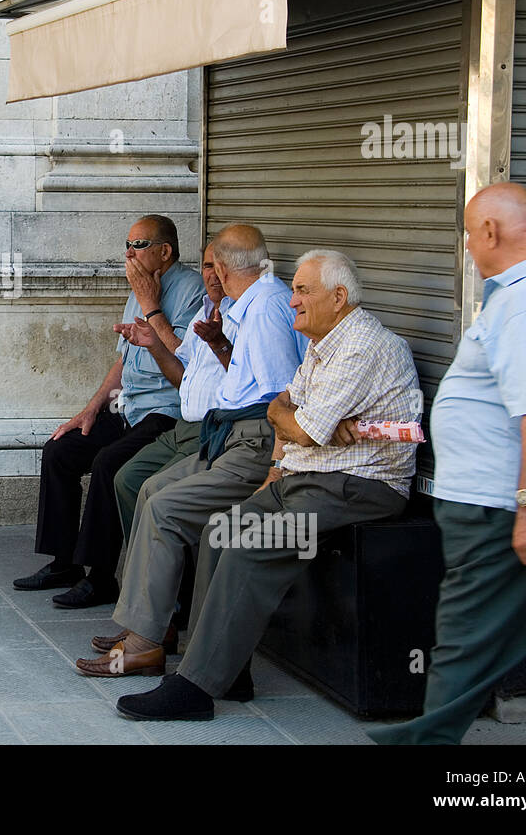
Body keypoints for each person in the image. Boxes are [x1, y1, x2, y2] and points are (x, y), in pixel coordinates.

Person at [104, 250, 421, 722]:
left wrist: (296, 421)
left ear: (339, 297)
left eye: (302, 291)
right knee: (220, 530)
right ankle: (223, 672)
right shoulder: (321, 342)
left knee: (246, 543)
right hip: (308, 476)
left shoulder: (362, 346)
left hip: (358, 485)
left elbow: (303, 428)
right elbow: (279, 411)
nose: (292, 300)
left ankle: (194, 688)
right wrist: (289, 430)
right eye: (293, 289)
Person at [369, 183, 526, 745]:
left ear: (489, 232)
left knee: (465, 639)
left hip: (507, 507)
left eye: (468, 235)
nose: (470, 250)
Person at [75, 223, 305, 671]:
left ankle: (147, 642)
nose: (298, 300)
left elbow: (281, 397)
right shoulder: (241, 306)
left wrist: (276, 474)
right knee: (145, 489)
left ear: (221, 265)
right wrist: (219, 345)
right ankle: (151, 626)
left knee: (162, 505)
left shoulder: (265, 308)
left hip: (252, 442)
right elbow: (236, 376)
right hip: (226, 434)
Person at [14, 216, 204, 609]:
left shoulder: (190, 290)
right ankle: (64, 562)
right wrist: (90, 409)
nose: (128, 253)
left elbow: (185, 362)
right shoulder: (139, 284)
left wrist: (152, 306)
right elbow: (123, 359)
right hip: (128, 405)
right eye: (128, 244)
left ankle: (102, 578)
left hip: (167, 411)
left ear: (164, 251)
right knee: (61, 450)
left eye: (138, 245)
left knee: (108, 464)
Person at [83, 242, 233, 656]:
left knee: (147, 488)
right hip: (185, 423)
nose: (213, 274)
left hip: (213, 430)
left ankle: (159, 618)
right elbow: (181, 371)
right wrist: (151, 343)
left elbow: (256, 391)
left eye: (221, 267)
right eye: (207, 265)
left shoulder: (249, 313)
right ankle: (146, 616)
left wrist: (153, 311)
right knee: (126, 477)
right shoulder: (208, 308)